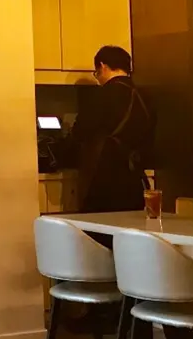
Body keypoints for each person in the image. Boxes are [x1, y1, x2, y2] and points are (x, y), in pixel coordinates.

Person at [65, 46, 154, 215]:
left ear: (103, 66)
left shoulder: (101, 95)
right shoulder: (145, 97)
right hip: (135, 181)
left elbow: (79, 132)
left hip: (103, 180)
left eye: (96, 73)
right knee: (130, 227)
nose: (98, 78)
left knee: (100, 227)